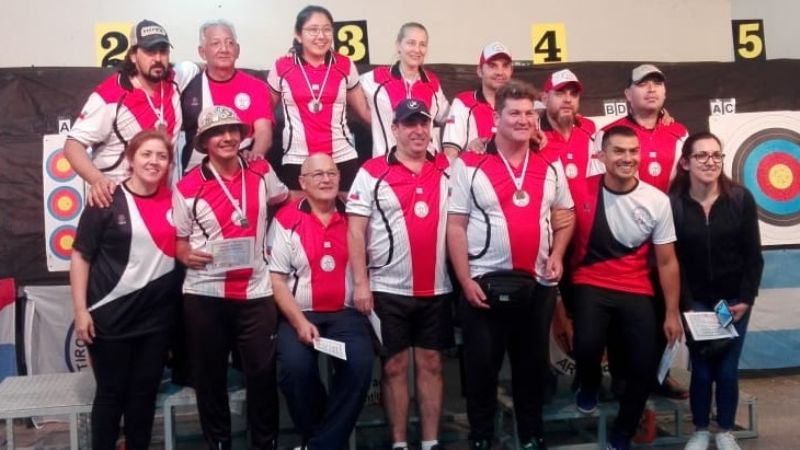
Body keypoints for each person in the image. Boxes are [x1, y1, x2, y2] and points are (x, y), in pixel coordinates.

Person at [447, 80, 574, 450]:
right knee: (482, 370)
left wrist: (558, 255)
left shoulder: (550, 164)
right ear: (496, 118)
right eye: (514, 113)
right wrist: (464, 279)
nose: (523, 120)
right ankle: (481, 437)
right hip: (484, 285)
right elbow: (455, 226)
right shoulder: (469, 164)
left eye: (529, 114)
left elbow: (564, 214)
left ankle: (531, 436)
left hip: (537, 286)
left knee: (532, 367)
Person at [173, 106, 288, 450]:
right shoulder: (187, 185)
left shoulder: (261, 169)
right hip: (205, 291)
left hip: (256, 291)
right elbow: (179, 241)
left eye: (233, 131)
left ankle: (264, 442)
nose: (227, 138)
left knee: (262, 374)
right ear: (205, 141)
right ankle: (219, 443)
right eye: (217, 133)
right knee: (210, 378)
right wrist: (182, 253)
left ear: (242, 135)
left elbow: (282, 201)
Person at [347, 99, 453, 450]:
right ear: (394, 129)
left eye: (423, 123)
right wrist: (360, 283)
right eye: (410, 124)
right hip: (386, 289)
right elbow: (355, 231)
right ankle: (398, 443)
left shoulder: (449, 168)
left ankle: (430, 441)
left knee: (432, 363)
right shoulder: (372, 171)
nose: (418, 130)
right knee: (392, 367)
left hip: (436, 288)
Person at [570, 126, 682, 450]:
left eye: (633, 151)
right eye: (619, 151)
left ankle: (623, 432)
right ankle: (589, 386)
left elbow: (667, 263)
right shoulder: (579, 190)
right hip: (590, 281)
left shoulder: (657, 201)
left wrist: (671, 313)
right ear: (601, 156)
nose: (628, 158)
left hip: (636, 287)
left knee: (644, 365)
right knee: (588, 344)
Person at [70, 130, 178, 450]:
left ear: (170, 164)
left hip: (156, 322)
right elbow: (80, 256)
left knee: (143, 398)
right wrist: (80, 311)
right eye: (146, 154)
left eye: (161, 156)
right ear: (130, 159)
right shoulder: (106, 198)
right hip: (110, 318)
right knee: (111, 395)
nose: (153, 161)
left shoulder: (177, 201)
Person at [593, 64, 690, 400]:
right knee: (622, 318)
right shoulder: (609, 132)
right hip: (621, 241)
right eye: (643, 84)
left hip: (663, 238)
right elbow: (596, 189)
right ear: (627, 94)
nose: (651, 89)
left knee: (664, 309)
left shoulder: (679, 132)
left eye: (658, 84)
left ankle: (658, 377)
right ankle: (621, 380)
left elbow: (686, 187)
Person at [268, 153, 374, 450]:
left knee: (361, 363)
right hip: (300, 314)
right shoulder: (287, 218)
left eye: (331, 173)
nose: (326, 179)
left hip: (346, 315)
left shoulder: (355, 215)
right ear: (302, 181)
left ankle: (318, 445)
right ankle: (324, 439)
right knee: (295, 369)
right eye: (317, 175)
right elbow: (276, 280)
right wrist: (299, 322)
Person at [669, 132, 763, 450]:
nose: (710, 162)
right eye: (701, 156)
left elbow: (753, 256)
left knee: (726, 368)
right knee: (702, 367)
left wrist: (746, 300)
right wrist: (685, 306)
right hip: (694, 302)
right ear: (685, 162)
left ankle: (724, 430)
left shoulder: (740, 198)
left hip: (733, 302)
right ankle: (699, 429)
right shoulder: (674, 204)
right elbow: (672, 260)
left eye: (716, 155)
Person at [65, 19, 198, 207]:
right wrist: (97, 180)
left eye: (163, 51)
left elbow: (197, 67)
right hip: (118, 204)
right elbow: (72, 145)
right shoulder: (109, 96)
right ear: (134, 56)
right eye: (150, 51)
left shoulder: (176, 78)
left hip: (160, 202)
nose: (158, 58)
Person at [268, 5, 371, 194]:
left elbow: (364, 112)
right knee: (300, 218)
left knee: (343, 219)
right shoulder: (282, 66)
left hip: (341, 157)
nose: (321, 36)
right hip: (297, 158)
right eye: (313, 30)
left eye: (326, 29)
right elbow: (264, 113)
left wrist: (398, 130)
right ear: (298, 34)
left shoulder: (345, 64)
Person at [180, 19, 275, 174]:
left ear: (237, 50)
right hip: (197, 171)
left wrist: (256, 154)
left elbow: (264, 131)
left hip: (243, 167)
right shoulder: (188, 87)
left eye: (230, 43)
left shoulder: (256, 86)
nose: (224, 49)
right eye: (215, 43)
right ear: (202, 52)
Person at [361, 22, 449, 157]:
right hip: (387, 165)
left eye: (422, 44)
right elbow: (346, 86)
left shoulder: (432, 83)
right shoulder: (376, 78)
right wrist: (366, 114)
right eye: (411, 43)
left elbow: (449, 117)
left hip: (426, 165)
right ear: (398, 45)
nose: (417, 49)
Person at [441, 42, 513, 158]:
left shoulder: (521, 104)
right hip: (473, 172)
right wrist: (470, 150)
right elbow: (450, 153)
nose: (500, 72)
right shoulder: (463, 102)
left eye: (505, 66)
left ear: (511, 71)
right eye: (493, 66)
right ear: (480, 71)